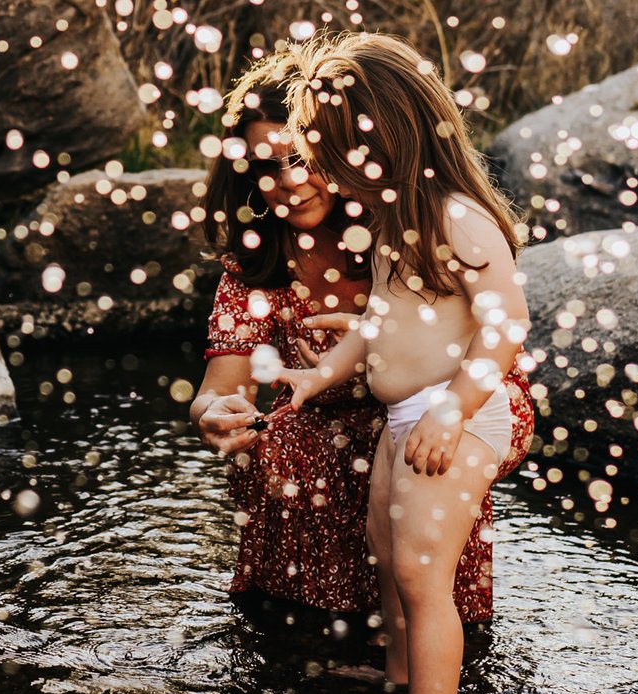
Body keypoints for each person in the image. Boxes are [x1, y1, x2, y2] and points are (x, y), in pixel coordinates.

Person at [186, 54, 534, 631]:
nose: (288, 183)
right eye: (265, 166)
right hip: (319, 437)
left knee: (407, 448)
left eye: (301, 159)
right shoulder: (253, 267)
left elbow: (497, 347)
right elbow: (219, 391)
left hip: (437, 413)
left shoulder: (404, 227)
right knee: (285, 449)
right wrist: (215, 415)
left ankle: (429, 647)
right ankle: (318, 634)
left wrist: (394, 351)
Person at [271, 33, 531, 694]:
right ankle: (397, 675)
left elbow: (506, 324)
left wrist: (453, 408)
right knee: (387, 551)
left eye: (332, 157)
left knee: (422, 571)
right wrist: (325, 371)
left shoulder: (456, 217)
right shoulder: (394, 223)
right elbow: (379, 320)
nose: (324, 176)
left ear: (383, 139)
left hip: (456, 412)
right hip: (404, 414)